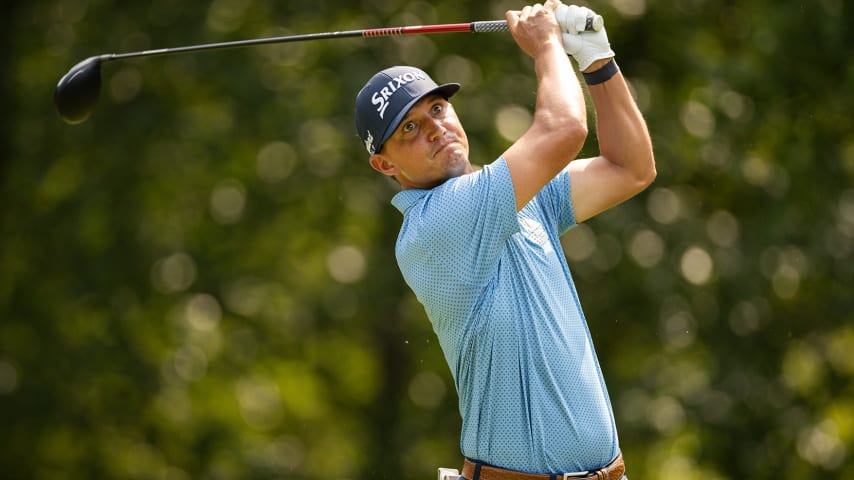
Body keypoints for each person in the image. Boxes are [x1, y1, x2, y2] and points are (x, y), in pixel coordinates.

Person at [354, 1, 654, 479]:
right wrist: (547, 46)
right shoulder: (435, 223)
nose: (436, 128)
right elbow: (564, 129)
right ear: (385, 165)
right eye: (410, 128)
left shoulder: (516, 196)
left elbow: (630, 169)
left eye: (438, 108)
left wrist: (598, 61)